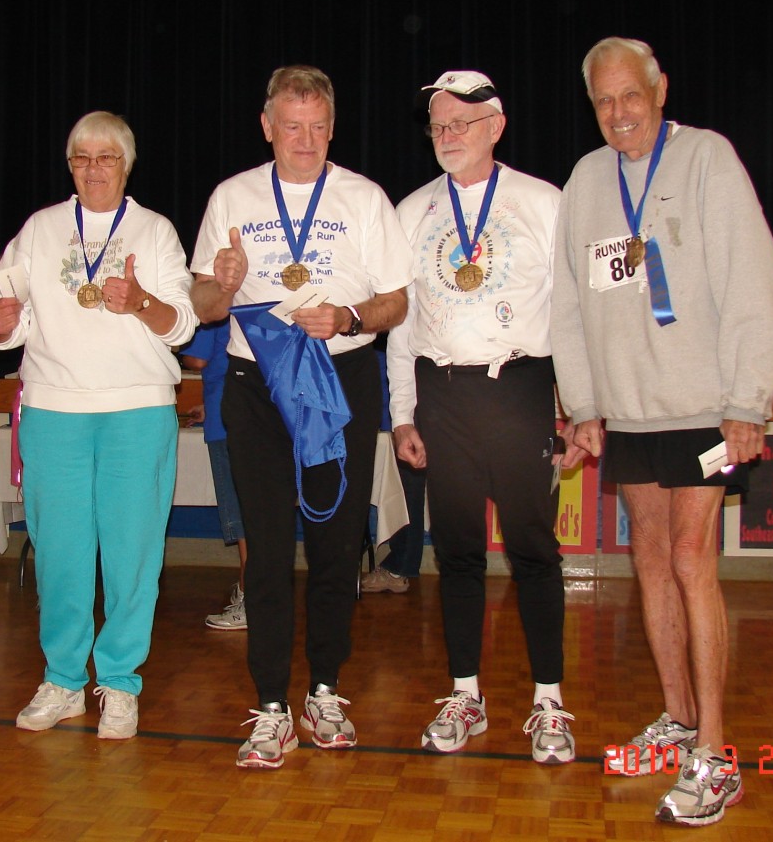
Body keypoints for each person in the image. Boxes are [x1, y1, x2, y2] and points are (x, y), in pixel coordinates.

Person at [550, 38, 773, 826]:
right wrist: (584, 401)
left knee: (691, 559)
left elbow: (755, 282)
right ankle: (679, 719)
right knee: (651, 561)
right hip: (629, 410)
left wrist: (748, 400)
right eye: (603, 100)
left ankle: (716, 752)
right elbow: (569, 302)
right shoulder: (586, 180)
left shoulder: (707, 159)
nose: (619, 112)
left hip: (706, 408)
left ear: (659, 91)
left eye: (630, 95)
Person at [190, 65, 412, 769]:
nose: (306, 140)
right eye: (292, 127)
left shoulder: (364, 198)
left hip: (338, 379)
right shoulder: (232, 196)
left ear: (332, 127)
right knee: (264, 546)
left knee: (336, 544)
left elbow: (397, 301)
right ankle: (270, 706)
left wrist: (348, 316)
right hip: (257, 385)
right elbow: (202, 305)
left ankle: (324, 689)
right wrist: (221, 286)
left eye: (317, 127)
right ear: (267, 127)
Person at [0, 111, 197, 740]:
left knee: (133, 554)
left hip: (138, 408)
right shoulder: (40, 228)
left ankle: (121, 682)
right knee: (60, 554)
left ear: (127, 165)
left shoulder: (154, 231)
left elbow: (183, 324)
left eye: (106, 158)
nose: (93, 169)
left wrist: (142, 303)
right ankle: (63, 680)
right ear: (69, 165)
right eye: (82, 158)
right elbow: (1, 317)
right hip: (54, 408)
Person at [387, 71, 577, 763]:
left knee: (533, 551)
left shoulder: (544, 202)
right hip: (442, 396)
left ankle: (549, 701)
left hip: (520, 390)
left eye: (461, 123)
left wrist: (577, 407)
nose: (447, 135)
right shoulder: (412, 211)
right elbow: (401, 323)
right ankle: (465, 693)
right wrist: (403, 413)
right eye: (438, 125)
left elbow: (572, 313)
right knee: (457, 552)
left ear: (495, 126)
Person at [179, 319, 250, 630]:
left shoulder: (214, 308)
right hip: (248, 410)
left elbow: (197, 359)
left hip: (226, 421)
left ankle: (250, 598)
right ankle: (255, 594)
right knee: (257, 513)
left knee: (243, 520)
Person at [360, 337, 428, 594]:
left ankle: (400, 566)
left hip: (398, 370)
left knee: (407, 477)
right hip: (377, 364)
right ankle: (400, 564)